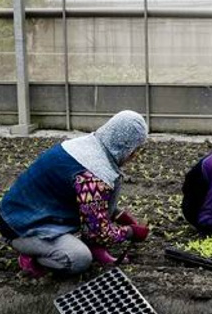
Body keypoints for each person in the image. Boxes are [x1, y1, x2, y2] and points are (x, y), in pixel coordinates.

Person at [0, 110, 151, 278]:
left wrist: (119, 215)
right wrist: (130, 231)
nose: (134, 155)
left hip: (34, 211)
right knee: (78, 258)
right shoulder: (92, 175)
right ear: (126, 146)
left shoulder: (89, 145)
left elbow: (93, 202)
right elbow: (100, 232)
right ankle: (34, 257)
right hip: (21, 225)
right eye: (135, 149)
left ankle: (93, 247)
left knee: (114, 181)